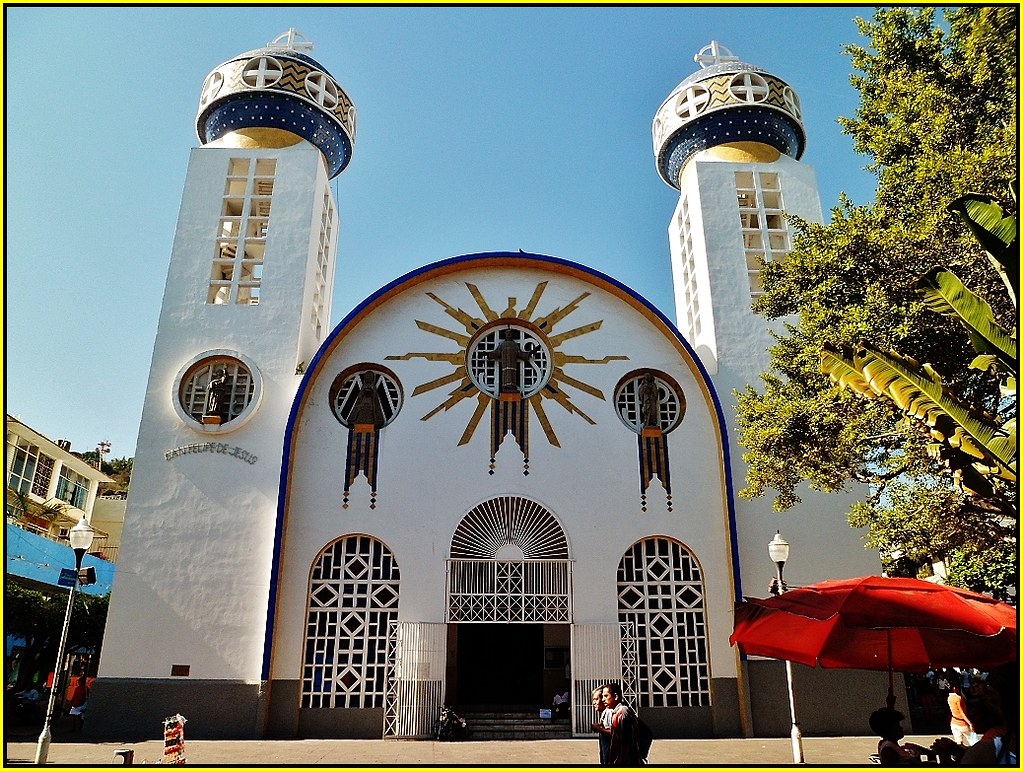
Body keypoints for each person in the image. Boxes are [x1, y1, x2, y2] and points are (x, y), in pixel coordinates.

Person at [868, 707, 932, 765]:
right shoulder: (889, 750)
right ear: (890, 729)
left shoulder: (885, 743)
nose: (901, 728)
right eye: (898, 726)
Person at [603, 682, 639, 765]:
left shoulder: (622, 712)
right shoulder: (616, 713)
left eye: (606, 696)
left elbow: (625, 740)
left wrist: (620, 760)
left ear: (615, 696)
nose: (603, 700)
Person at [591, 686, 611, 765]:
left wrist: (599, 729)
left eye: (596, 699)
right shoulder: (605, 713)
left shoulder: (609, 712)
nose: (594, 703)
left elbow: (615, 732)